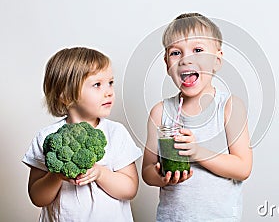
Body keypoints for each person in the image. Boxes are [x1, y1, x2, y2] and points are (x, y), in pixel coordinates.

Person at [142, 13, 253, 221]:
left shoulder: (229, 107)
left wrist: (196, 152)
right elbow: (147, 172)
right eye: (176, 52)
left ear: (217, 60)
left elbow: (242, 167)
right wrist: (162, 176)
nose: (186, 59)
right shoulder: (160, 112)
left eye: (198, 50)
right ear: (167, 64)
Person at [22, 47, 142, 222]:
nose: (109, 91)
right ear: (65, 95)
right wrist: (56, 175)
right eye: (97, 84)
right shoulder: (46, 137)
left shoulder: (116, 133)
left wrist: (100, 173)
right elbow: (38, 197)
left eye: (110, 82)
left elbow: (130, 189)